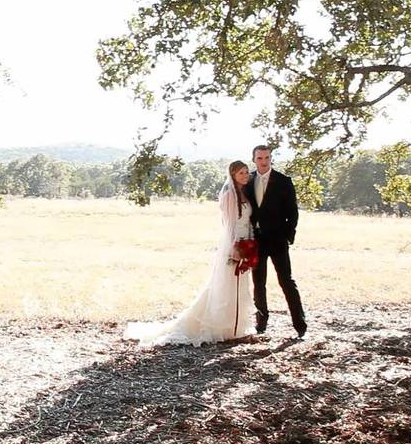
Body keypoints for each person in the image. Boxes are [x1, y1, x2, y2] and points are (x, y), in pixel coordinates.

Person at [124, 161, 257, 347]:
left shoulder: (244, 193)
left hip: (246, 242)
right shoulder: (229, 195)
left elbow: (247, 221)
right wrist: (235, 247)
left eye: (246, 172)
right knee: (226, 285)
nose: (245, 176)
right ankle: (219, 326)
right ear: (233, 175)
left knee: (240, 286)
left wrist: (250, 244)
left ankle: (236, 328)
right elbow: (229, 225)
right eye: (240, 173)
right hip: (234, 244)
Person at [243, 145, 307, 338]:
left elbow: (293, 213)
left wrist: (287, 236)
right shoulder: (248, 181)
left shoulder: (283, 181)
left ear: (271, 158)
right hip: (257, 240)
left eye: (267, 157)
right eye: (260, 158)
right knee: (258, 283)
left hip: (278, 241)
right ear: (254, 159)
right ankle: (261, 323)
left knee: (286, 281)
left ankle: (300, 324)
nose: (264, 161)